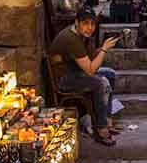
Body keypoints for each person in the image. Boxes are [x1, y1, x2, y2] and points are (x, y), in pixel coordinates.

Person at [48, 8, 121, 146]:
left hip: (76, 71)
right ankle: (101, 128)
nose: (90, 28)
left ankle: (107, 119)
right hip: (65, 79)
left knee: (109, 74)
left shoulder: (81, 35)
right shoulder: (71, 39)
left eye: (92, 24)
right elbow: (90, 69)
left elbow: (91, 60)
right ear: (77, 23)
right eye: (85, 24)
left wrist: (99, 48)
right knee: (102, 82)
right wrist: (104, 49)